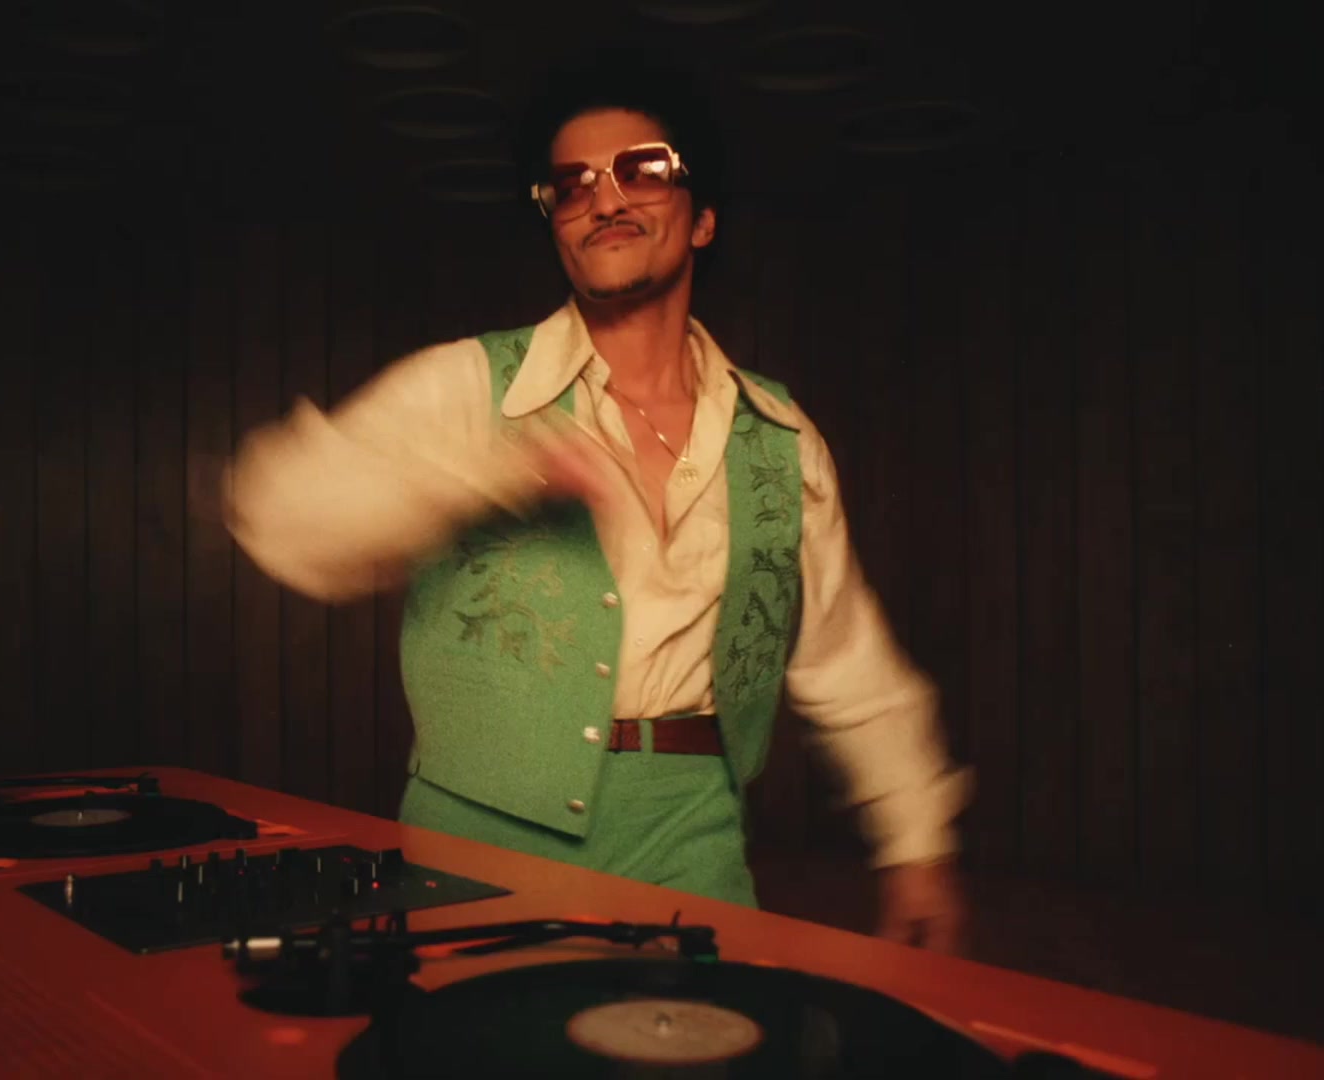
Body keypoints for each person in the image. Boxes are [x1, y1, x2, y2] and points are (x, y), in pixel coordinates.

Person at [224, 51, 972, 953]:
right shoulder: (469, 386)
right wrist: (491, 473)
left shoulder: (781, 438)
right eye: (572, 186)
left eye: (642, 170)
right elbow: (281, 517)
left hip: (691, 838)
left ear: (702, 219)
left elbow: (847, 659)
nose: (604, 199)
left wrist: (918, 842)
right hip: (476, 837)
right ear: (556, 226)